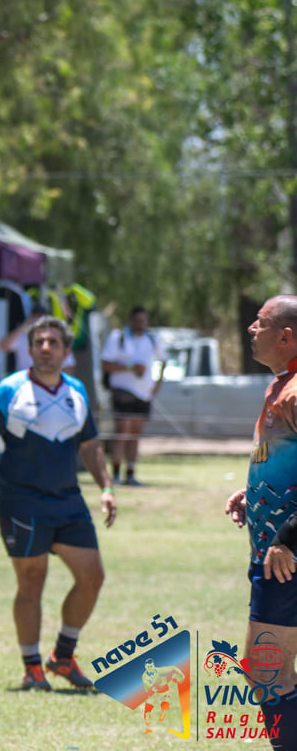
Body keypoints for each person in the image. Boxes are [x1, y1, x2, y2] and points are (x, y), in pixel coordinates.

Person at [0, 315, 115, 692]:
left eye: (54, 342)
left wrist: (106, 487)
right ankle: (32, 666)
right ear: (31, 348)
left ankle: (62, 657)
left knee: (92, 577)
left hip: (68, 500)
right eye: (39, 342)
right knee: (31, 582)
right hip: (21, 501)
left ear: (67, 351)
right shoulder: (10, 390)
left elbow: (89, 444)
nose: (46, 348)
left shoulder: (77, 391)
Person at [223, 295, 297, 749]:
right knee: (269, 669)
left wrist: (289, 536)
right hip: (275, 552)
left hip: (285, 556)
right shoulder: (280, 385)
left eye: (261, 322)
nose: (252, 328)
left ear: (286, 336)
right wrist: (254, 495)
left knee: (268, 670)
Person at [101, 306, 161, 487]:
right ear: (131, 320)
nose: (141, 324)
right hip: (123, 391)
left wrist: (157, 384)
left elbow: (162, 361)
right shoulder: (118, 337)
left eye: (144, 320)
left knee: (135, 435)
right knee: (122, 433)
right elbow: (105, 364)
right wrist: (129, 368)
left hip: (143, 393)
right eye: (137, 320)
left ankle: (131, 473)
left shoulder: (152, 339)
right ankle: (116, 474)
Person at [0, 309, 78, 374]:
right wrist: (22, 327)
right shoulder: (22, 337)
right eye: (35, 318)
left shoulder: (57, 339)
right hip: (26, 384)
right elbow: (3, 346)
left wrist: (52, 380)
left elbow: (69, 366)